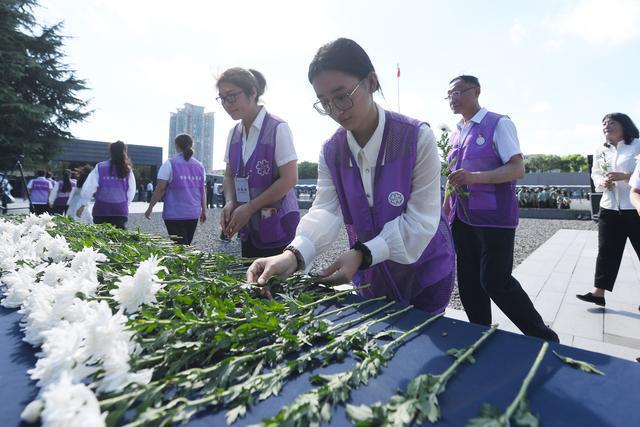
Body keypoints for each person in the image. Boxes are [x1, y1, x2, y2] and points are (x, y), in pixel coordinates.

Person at [246, 38, 455, 313]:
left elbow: (421, 219)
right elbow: (326, 211)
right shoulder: (333, 151)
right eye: (324, 103)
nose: (335, 111)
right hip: (372, 277)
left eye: (342, 96)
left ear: (371, 82)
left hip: (425, 269)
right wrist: (293, 255)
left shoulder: (416, 138)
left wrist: (362, 253)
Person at [444, 75, 558, 342]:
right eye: (449, 94)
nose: (453, 98)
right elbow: (451, 179)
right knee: (469, 282)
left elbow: (517, 168)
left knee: (495, 282)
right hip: (462, 218)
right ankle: (479, 334)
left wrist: (474, 177)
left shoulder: (498, 124)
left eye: (458, 92)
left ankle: (543, 337)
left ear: (476, 91)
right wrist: (444, 213)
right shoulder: (455, 132)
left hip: (494, 219)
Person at [218, 67, 300, 257]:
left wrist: (250, 207)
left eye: (231, 96)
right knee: (253, 280)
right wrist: (230, 202)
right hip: (249, 227)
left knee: (275, 282)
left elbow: (289, 179)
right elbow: (229, 174)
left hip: (278, 224)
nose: (226, 104)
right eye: (222, 98)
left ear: (252, 92)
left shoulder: (277, 128)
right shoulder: (234, 134)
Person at [577, 113, 640, 307]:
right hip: (609, 207)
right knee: (606, 251)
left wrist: (625, 176)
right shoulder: (600, 150)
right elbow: (595, 174)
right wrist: (602, 182)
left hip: (634, 207)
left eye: (611, 123)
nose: (606, 126)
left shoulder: (637, 145)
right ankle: (598, 293)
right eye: (604, 124)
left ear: (624, 126)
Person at [145, 134, 207, 245]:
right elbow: (202, 190)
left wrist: (150, 208)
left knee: (180, 248)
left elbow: (160, 189)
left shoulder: (170, 164)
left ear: (177, 145)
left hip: (174, 214)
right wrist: (204, 210)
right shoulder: (200, 166)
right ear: (191, 145)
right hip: (193, 213)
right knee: (186, 246)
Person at [77, 140, 136, 229]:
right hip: (120, 211)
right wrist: (125, 204)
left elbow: (89, 187)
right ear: (125, 151)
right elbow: (131, 190)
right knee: (118, 240)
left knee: (100, 239)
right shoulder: (127, 169)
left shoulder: (100, 167)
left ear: (111, 152)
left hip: (101, 210)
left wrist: (82, 204)